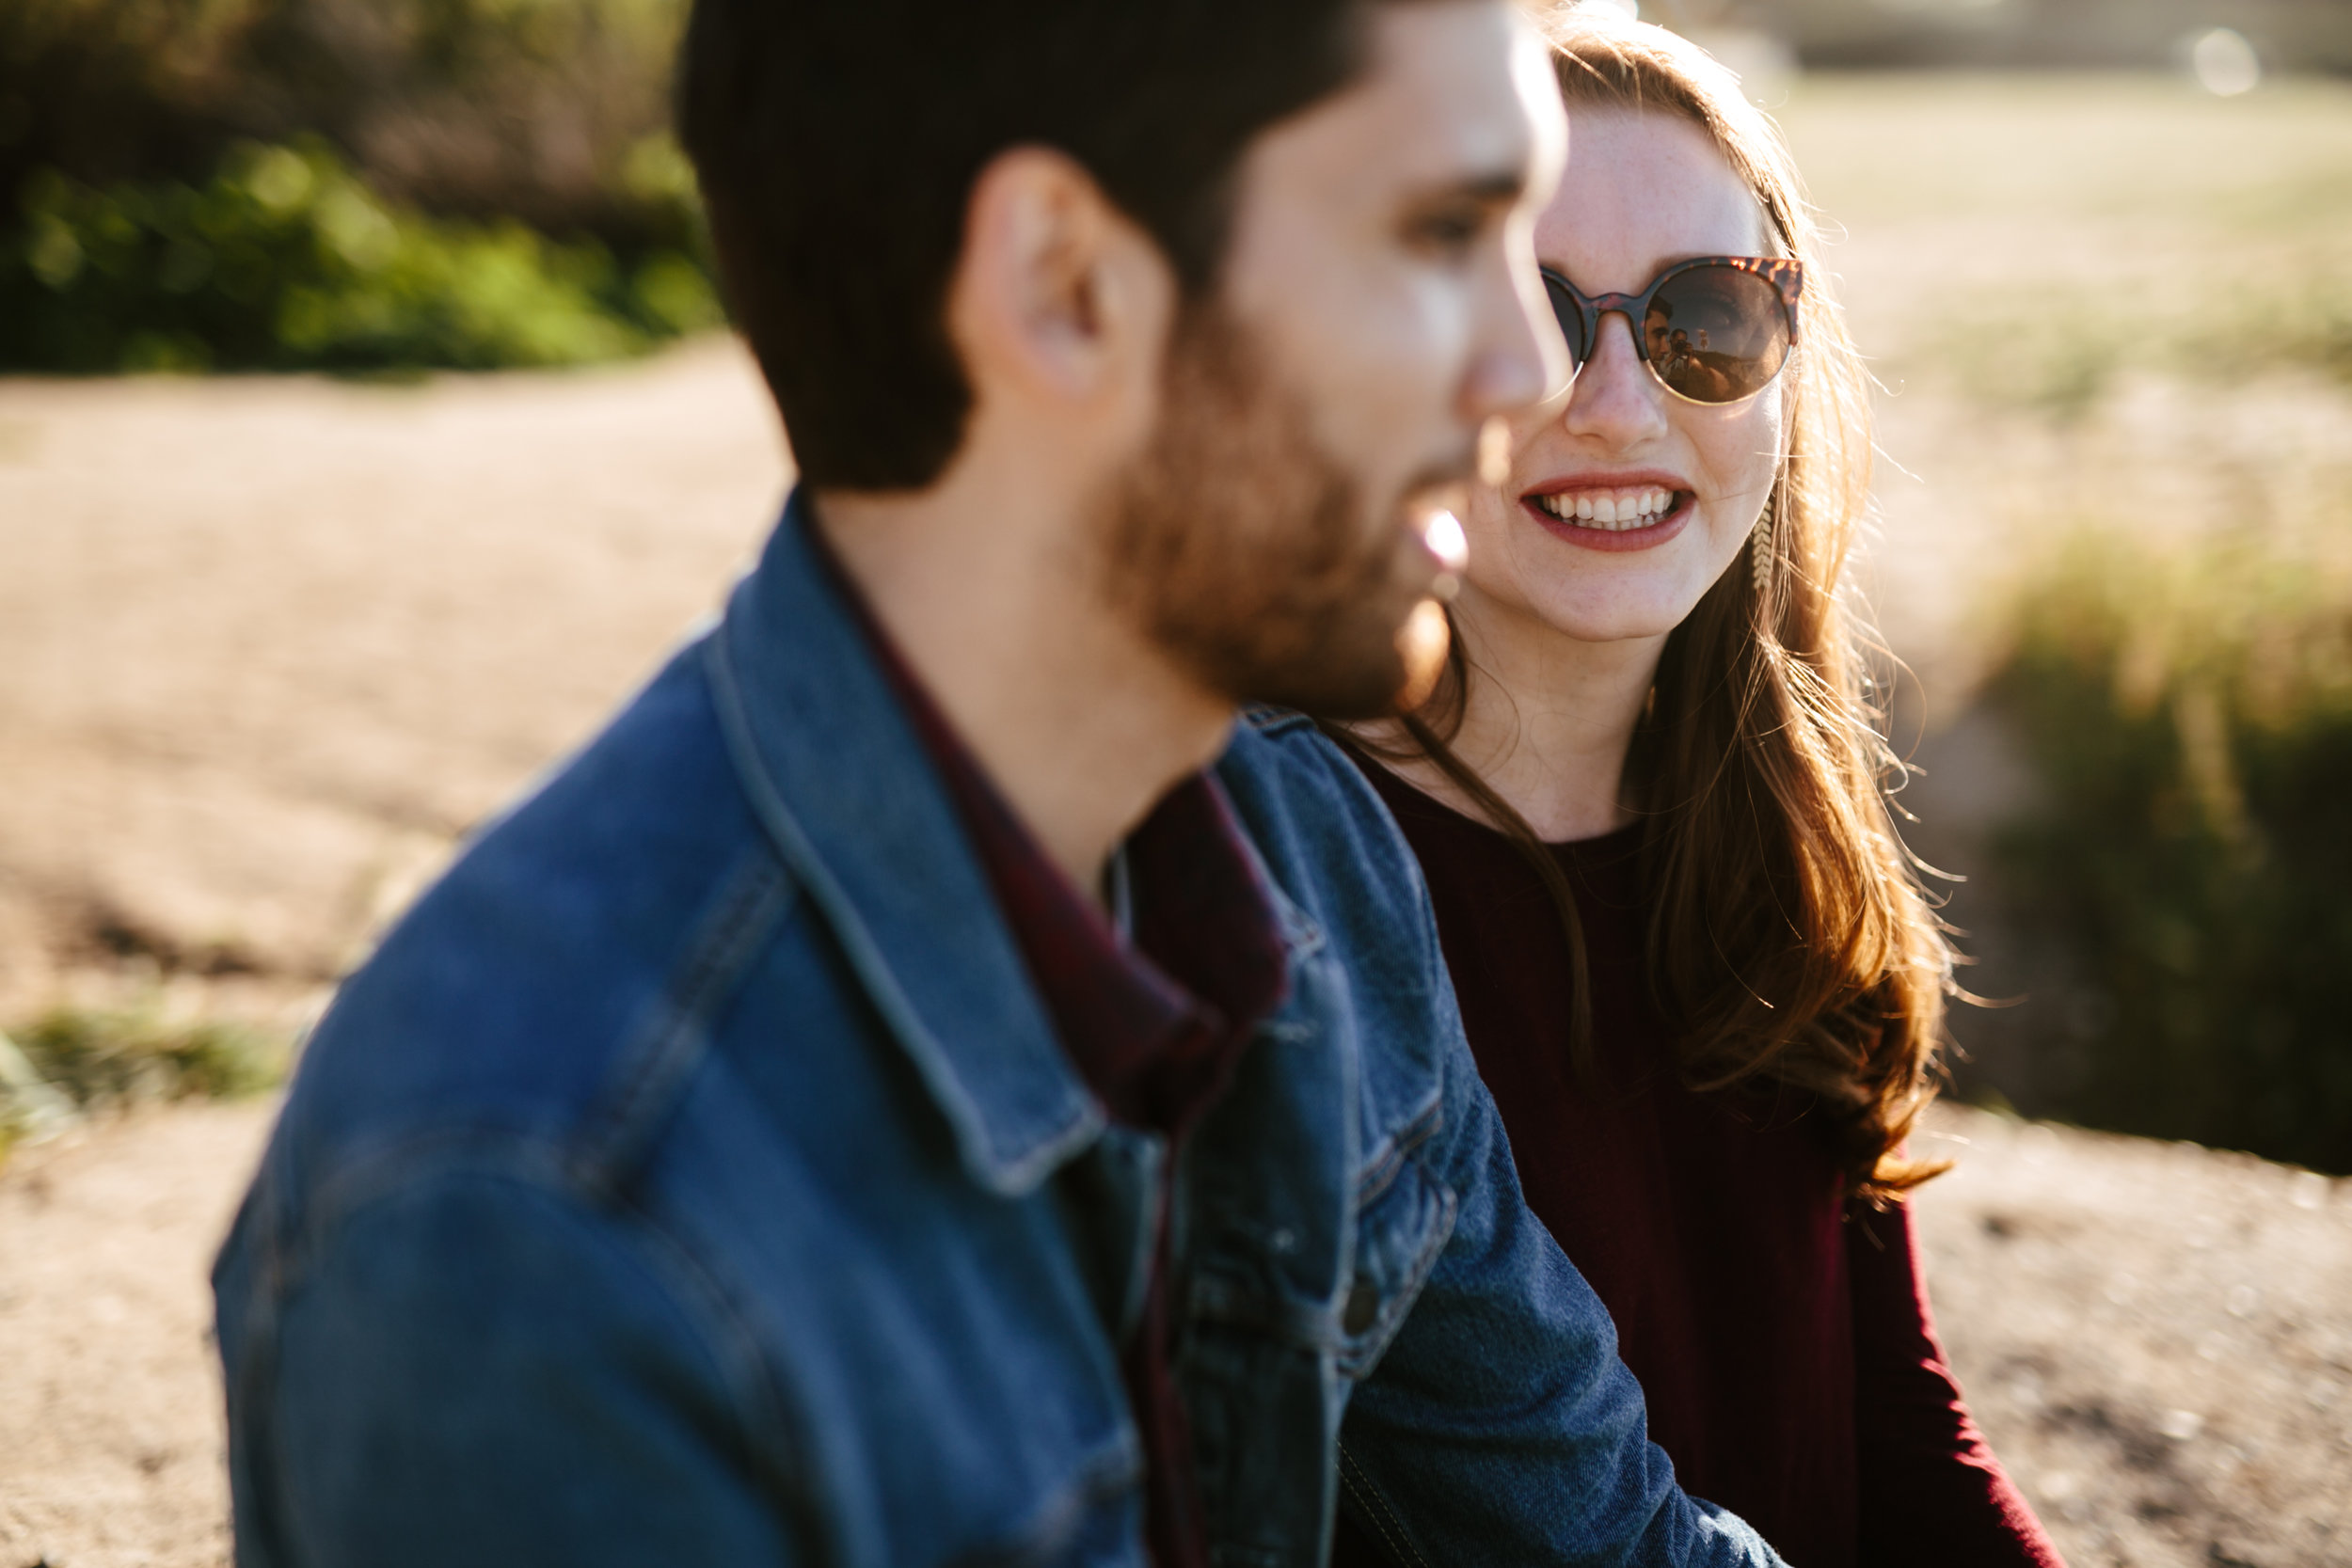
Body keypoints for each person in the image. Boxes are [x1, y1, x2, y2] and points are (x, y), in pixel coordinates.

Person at [211, 2, 1795, 1564]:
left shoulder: (1310, 868)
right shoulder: (546, 1219)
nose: (1534, 374)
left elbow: (1613, 1540)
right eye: (1447, 235)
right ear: (1062, 286)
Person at [1327, 12, 2066, 1568]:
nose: (1611, 403)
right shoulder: (1299, 890)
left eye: (1708, 318)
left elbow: (1892, 1423)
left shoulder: (1783, 829)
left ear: (1788, 368)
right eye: (1528, 318)